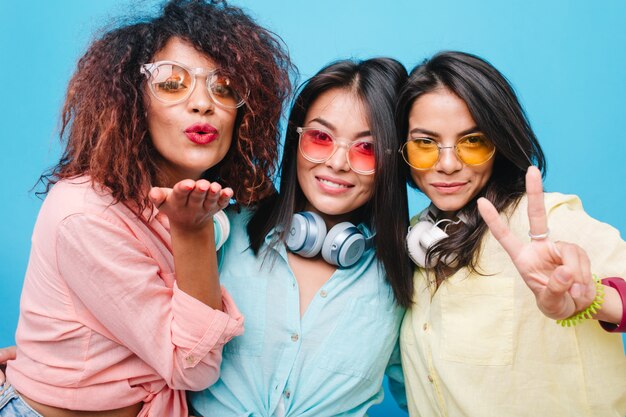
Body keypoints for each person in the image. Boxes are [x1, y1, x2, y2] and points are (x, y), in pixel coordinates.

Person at [1, 0, 292, 416]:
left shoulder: (221, 206)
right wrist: (192, 234)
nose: (202, 103)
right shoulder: (86, 214)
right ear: (132, 100)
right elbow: (190, 367)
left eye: (224, 87)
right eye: (173, 83)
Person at [397, 50, 626, 417]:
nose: (448, 164)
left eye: (473, 141)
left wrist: (594, 299)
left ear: (499, 144)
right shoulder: (418, 240)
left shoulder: (545, 223)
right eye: (425, 144)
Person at [189, 58, 413, 416]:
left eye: (366, 149)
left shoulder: (407, 277)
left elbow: (431, 394)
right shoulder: (222, 226)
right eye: (321, 138)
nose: (338, 163)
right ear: (297, 140)